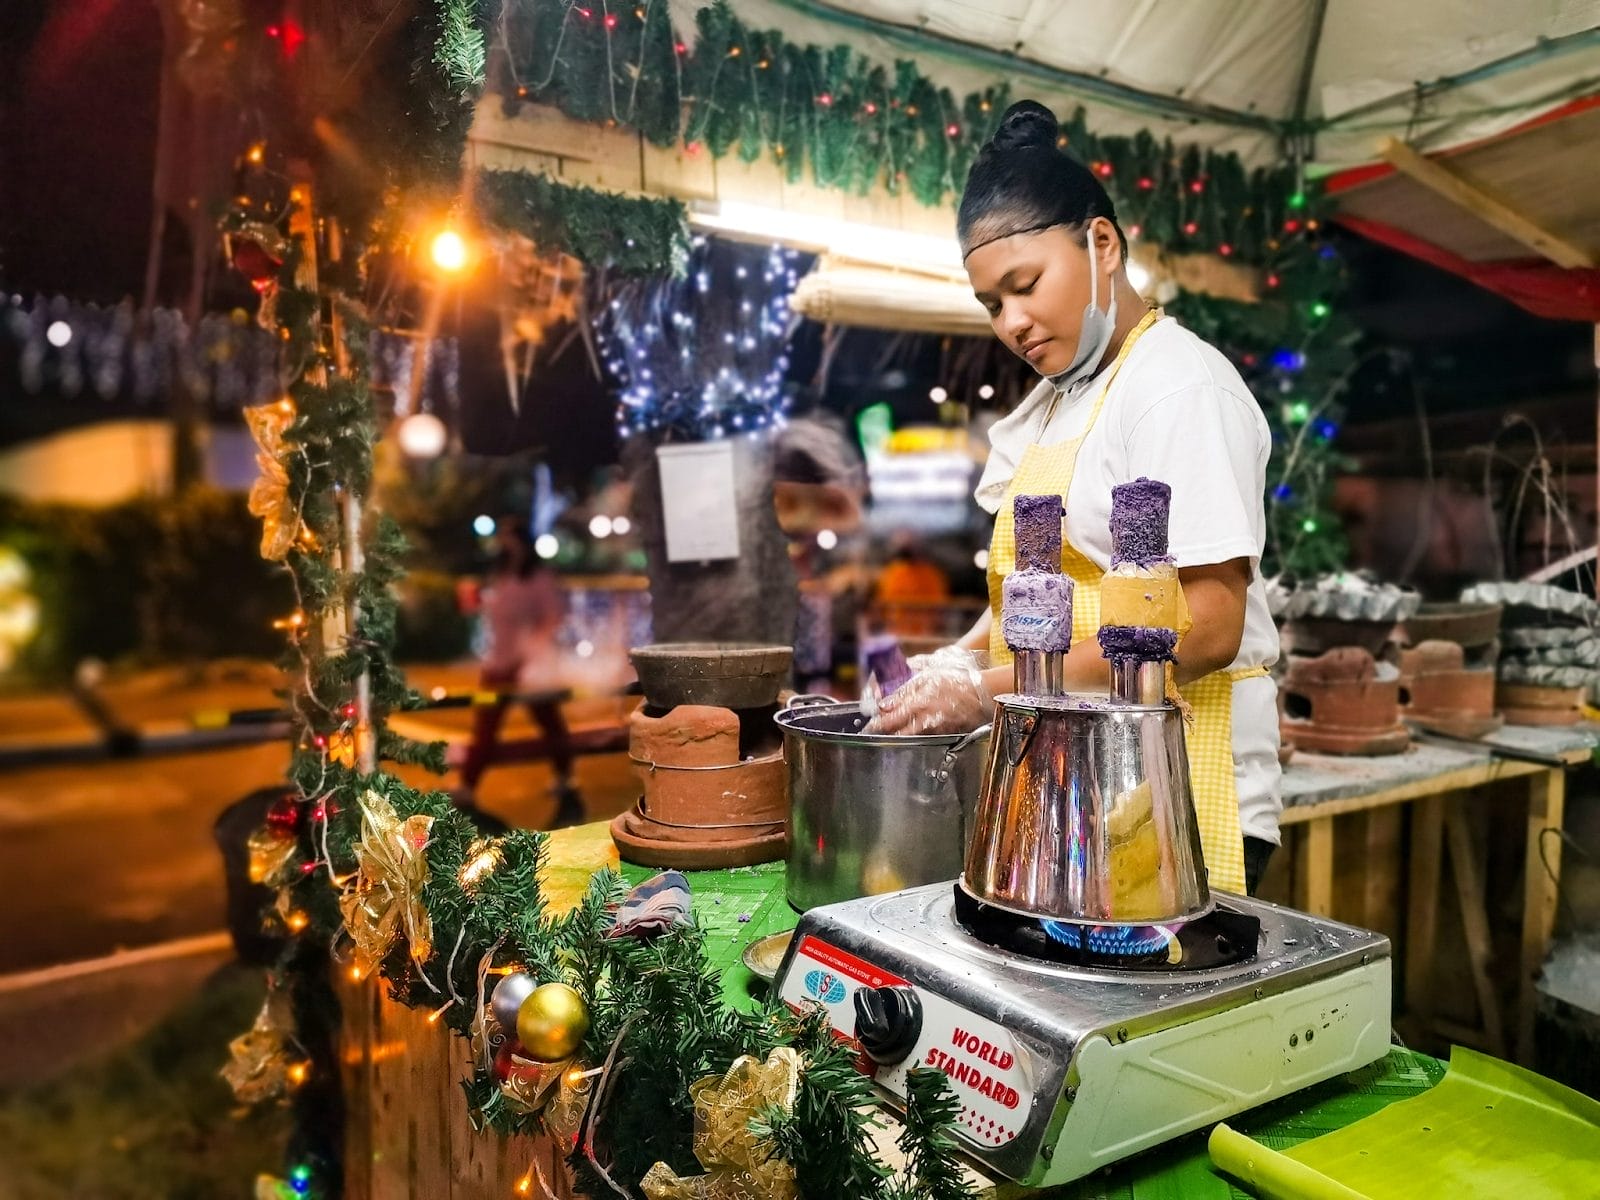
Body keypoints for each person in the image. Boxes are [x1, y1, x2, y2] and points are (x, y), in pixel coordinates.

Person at [870, 100, 1282, 896]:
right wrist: (959, 657)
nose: (1013, 323)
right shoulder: (1059, 401)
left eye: (1025, 286)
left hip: (1173, 786)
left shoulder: (1176, 387)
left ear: (1102, 243)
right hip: (1075, 779)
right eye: (992, 304)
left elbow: (1204, 624)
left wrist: (988, 692)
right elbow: (1046, 581)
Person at [457, 517, 583, 827]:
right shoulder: (500, 575)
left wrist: (532, 651)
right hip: (498, 663)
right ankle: (467, 787)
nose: (506, 545)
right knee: (486, 722)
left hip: (527, 665)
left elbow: (552, 617)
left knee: (549, 721)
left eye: (511, 538)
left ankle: (565, 778)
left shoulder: (538, 578)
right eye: (503, 539)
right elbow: (490, 612)